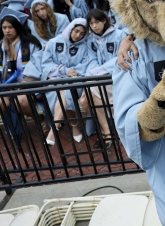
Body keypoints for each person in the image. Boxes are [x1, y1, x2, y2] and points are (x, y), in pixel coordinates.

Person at [0, 8, 43, 126]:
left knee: (21, 101)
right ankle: (15, 124)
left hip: (26, 83)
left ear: (18, 27)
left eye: (10, 27)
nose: (7, 31)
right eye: (4, 28)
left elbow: (37, 63)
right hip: (5, 83)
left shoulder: (31, 44)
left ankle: (39, 119)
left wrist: (27, 81)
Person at [81, 9, 127, 149]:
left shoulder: (120, 35)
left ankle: (108, 132)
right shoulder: (91, 39)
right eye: (91, 23)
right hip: (98, 77)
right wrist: (95, 72)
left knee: (90, 92)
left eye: (97, 22)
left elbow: (121, 58)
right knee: (84, 101)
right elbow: (91, 59)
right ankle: (107, 129)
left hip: (117, 75)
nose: (94, 26)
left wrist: (98, 72)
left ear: (105, 20)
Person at [41, 18, 90, 146]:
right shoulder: (54, 42)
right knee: (63, 92)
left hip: (75, 81)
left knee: (67, 90)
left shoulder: (85, 47)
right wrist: (65, 71)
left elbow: (85, 65)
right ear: (71, 28)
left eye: (82, 34)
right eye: (76, 31)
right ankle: (74, 125)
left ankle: (54, 128)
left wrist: (71, 74)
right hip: (55, 80)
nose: (78, 35)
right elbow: (46, 64)